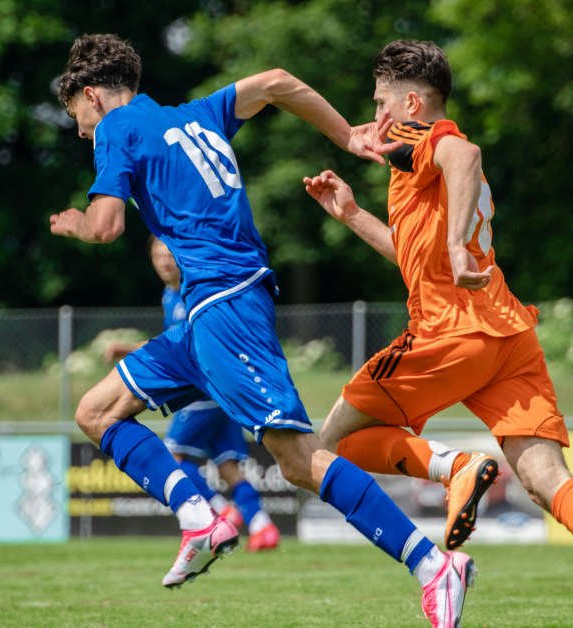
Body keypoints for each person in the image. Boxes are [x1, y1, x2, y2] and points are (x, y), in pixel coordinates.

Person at [50, 34, 475, 627]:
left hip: (225, 306)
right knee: (96, 412)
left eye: (77, 115)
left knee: (299, 461)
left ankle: (432, 565)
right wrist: (347, 136)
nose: (81, 132)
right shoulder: (195, 115)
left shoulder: (116, 127)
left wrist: (73, 222)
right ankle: (198, 518)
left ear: (93, 95)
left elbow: (105, 226)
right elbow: (276, 81)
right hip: (204, 314)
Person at [302, 40, 573, 628]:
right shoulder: (412, 163)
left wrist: (453, 246)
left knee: (328, 446)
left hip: (448, 331)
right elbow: (413, 256)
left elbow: (464, 154)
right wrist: (351, 215)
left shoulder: (427, 136)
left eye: (382, 102)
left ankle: (455, 469)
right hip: (507, 335)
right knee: (546, 481)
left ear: (411, 103)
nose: (376, 115)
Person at [103, 236, 281, 552]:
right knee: (227, 466)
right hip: (222, 391)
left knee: (172, 457)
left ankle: (220, 511)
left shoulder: (192, 290)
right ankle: (262, 526)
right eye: (157, 255)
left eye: (168, 254)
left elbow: (189, 345)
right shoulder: (168, 295)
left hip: (201, 391)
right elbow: (171, 343)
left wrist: (128, 349)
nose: (164, 261)